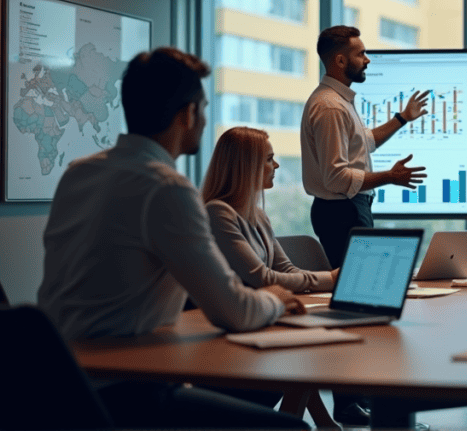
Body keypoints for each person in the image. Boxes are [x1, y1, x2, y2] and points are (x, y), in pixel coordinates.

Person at [37, 47, 307, 429]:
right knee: (292, 428)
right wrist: (275, 300)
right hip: (121, 392)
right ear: (188, 114)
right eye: (204, 108)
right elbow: (235, 312)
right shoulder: (166, 188)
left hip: (53, 383)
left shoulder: (79, 174)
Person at [301, 25, 429, 269]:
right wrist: (389, 177)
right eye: (360, 54)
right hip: (342, 212)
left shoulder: (338, 101)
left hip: (347, 209)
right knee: (356, 288)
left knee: (360, 284)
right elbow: (337, 178)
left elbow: (364, 143)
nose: (367, 60)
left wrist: (402, 118)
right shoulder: (331, 107)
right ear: (340, 60)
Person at [203, 126, 338, 293]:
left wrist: (331, 278)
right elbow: (262, 278)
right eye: (269, 159)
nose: (276, 165)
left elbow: (286, 270)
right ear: (247, 166)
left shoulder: (258, 215)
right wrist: (331, 278)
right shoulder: (217, 213)